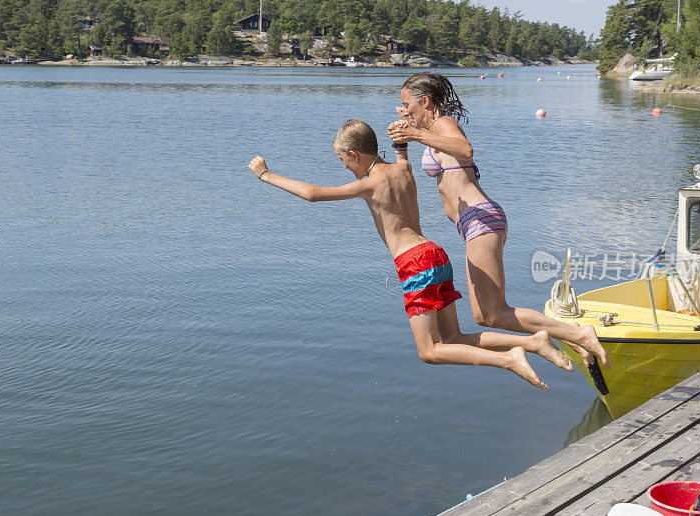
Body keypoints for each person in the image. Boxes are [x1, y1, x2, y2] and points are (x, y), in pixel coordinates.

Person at [248, 119, 575, 391]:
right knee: (454, 337)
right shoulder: (402, 169)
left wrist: (266, 174)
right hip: (436, 254)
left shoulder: (369, 183)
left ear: (354, 154)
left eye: (343, 161)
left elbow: (313, 194)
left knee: (430, 352)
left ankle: (511, 358)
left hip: (415, 263)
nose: (345, 168)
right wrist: (402, 134)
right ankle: (535, 343)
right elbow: (402, 152)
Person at [387, 72, 608, 370]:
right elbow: (439, 141)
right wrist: (411, 128)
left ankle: (578, 333)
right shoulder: (435, 126)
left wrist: (416, 134)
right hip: (472, 224)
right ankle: (570, 337)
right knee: (483, 316)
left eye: (407, 104)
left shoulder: (443, 124)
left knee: (496, 311)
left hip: (480, 218)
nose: (404, 110)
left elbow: (465, 150)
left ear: (425, 101)